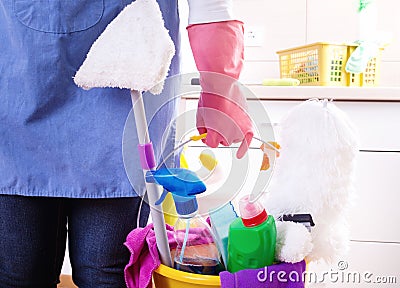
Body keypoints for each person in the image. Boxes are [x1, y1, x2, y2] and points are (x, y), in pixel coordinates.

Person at [0, 0, 252, 287]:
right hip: (16, 94)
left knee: (105, 272)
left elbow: (210, 6)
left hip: (126, 110)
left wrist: (221, 89)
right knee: (19, 273)